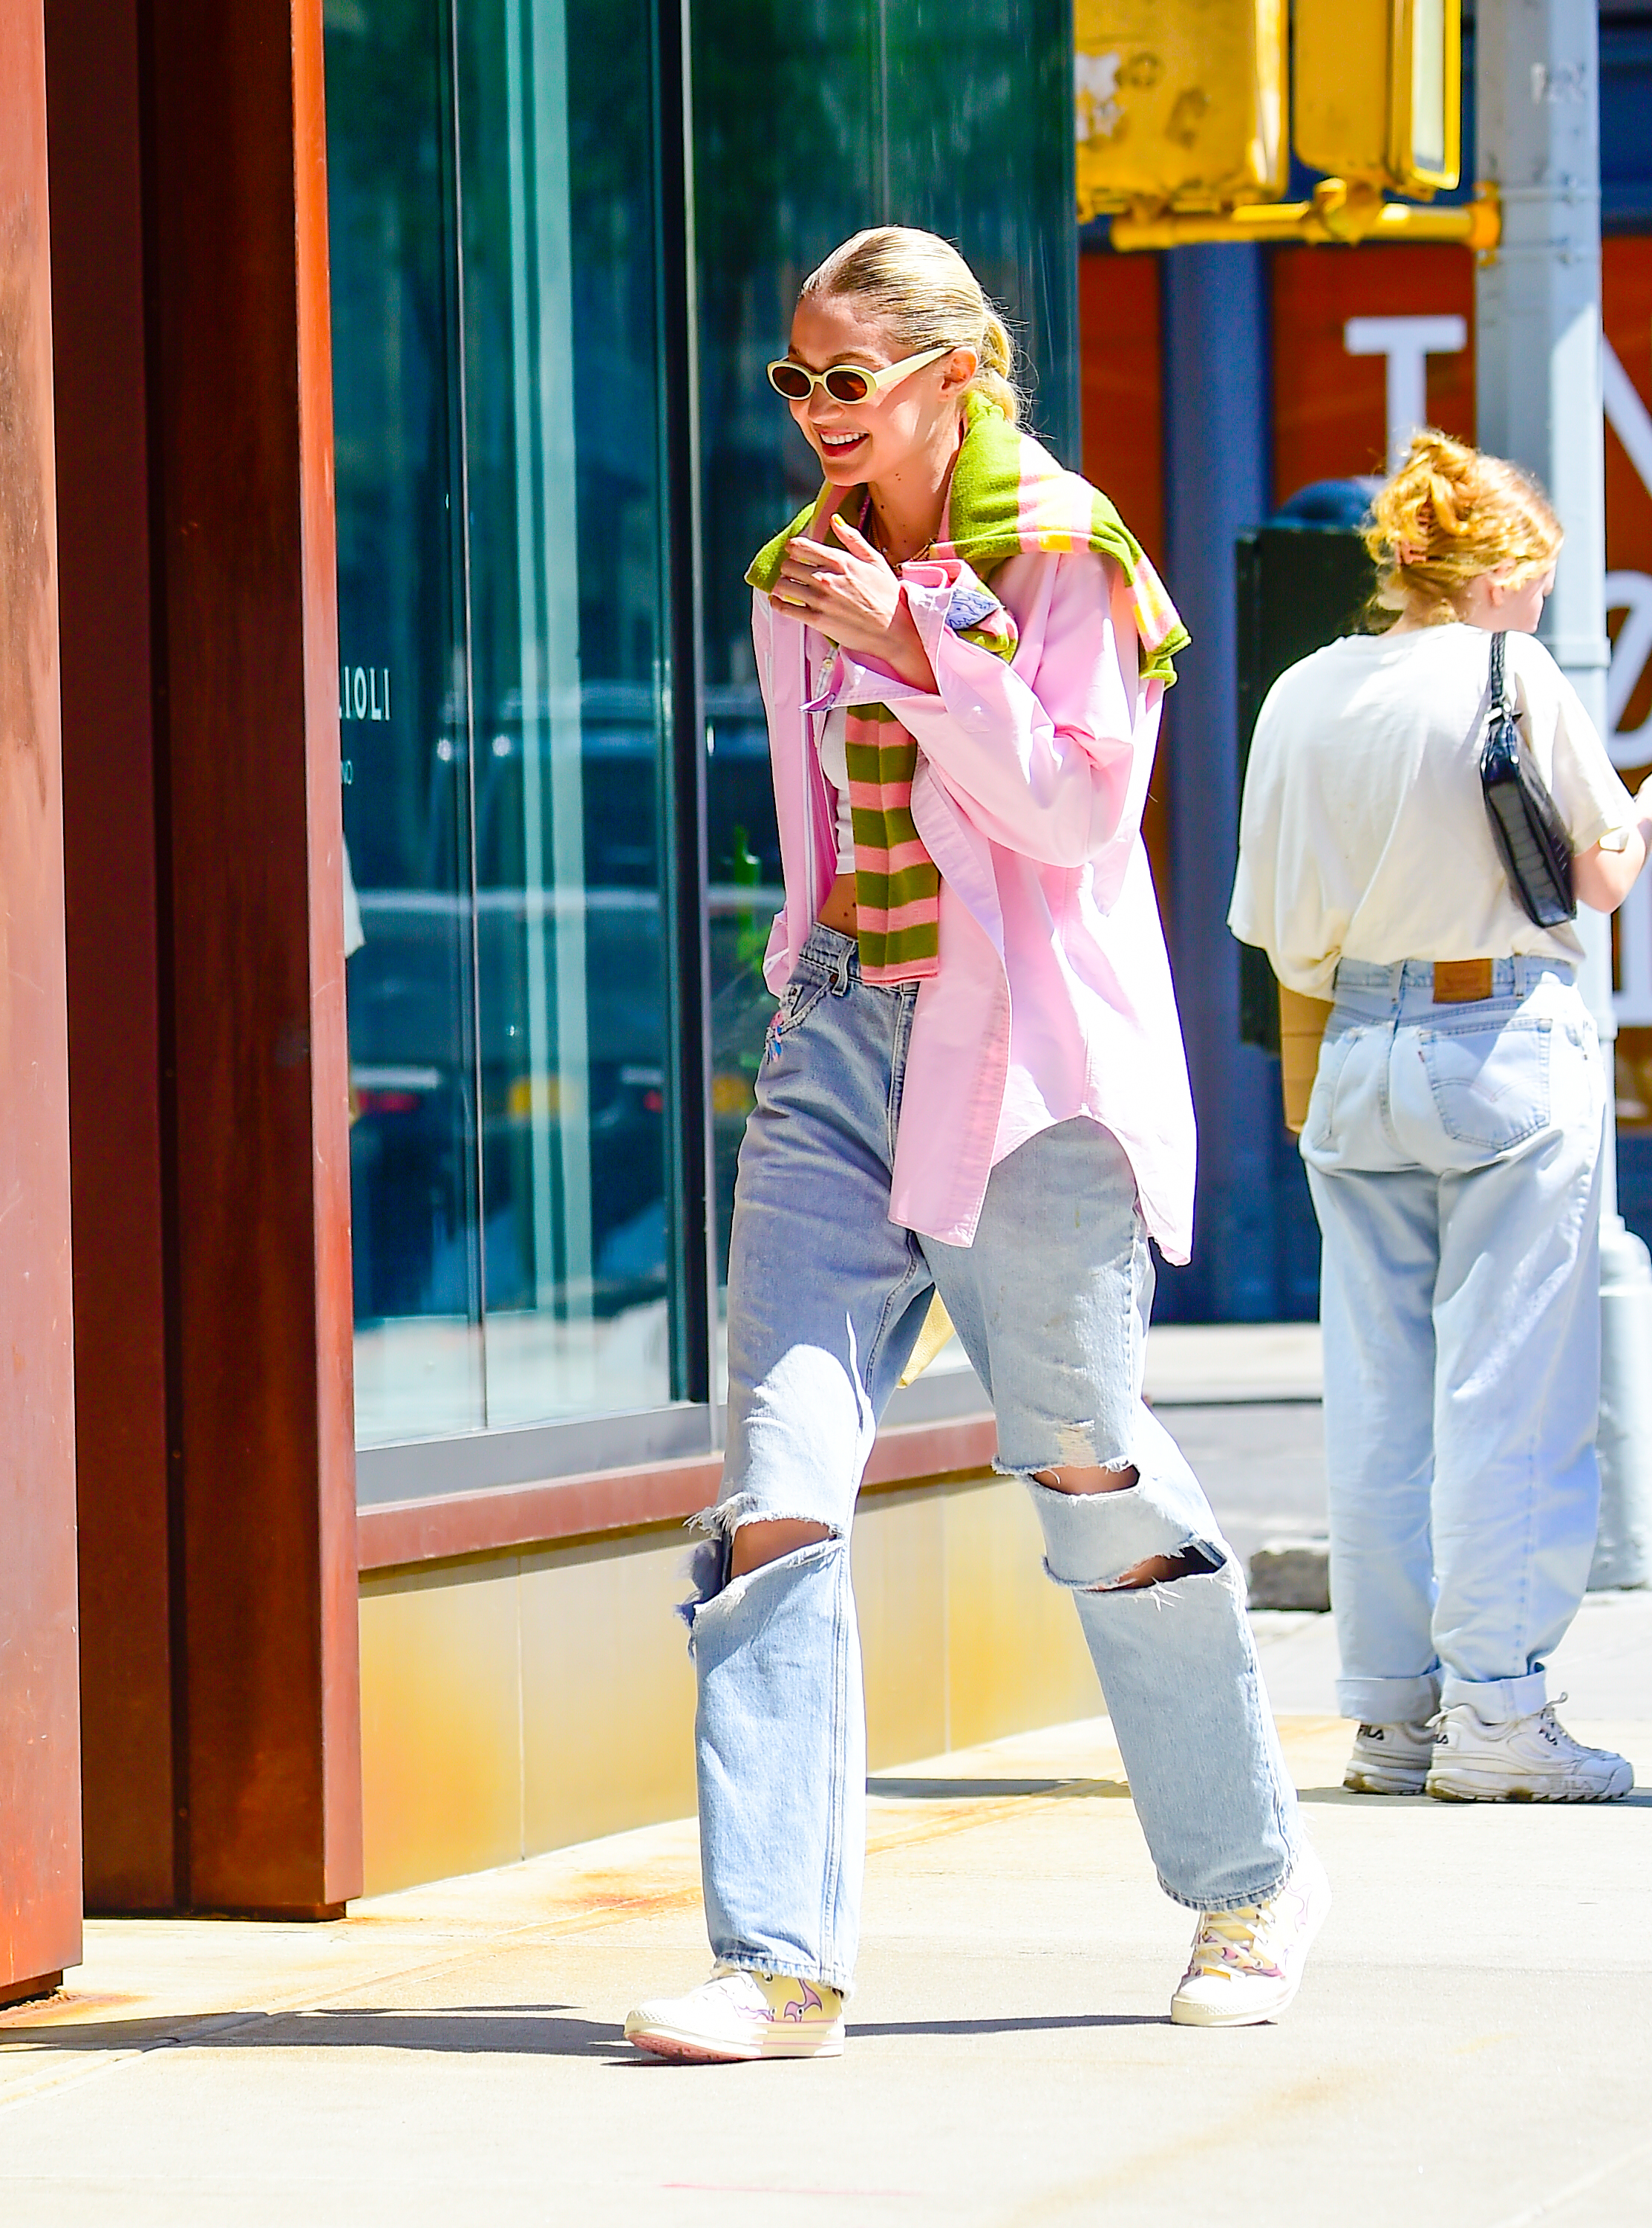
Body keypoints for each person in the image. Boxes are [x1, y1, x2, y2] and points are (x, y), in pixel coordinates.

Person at [622, 227, 1327, 2065]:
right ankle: (778, 1960)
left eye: (846, 376)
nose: (815, 411)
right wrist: (796, 980)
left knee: (1084, 1472)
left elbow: (1081, 809)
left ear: (953, 372)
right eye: (794, 377)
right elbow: (814, 828)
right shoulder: (798, 578)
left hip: (1023, 1070)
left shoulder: (1066, 552)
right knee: (776, 1486)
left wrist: (922, 645)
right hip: (835, 1046)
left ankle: (1245, 1884)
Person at [1231, 430, 1648, 1805]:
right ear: (1490, 576)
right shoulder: (1509, 672)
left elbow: (1270, 926)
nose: (1539, 605)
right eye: (1533, 577)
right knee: (1511, 1390)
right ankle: (1499, 1714)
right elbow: (1592, 876)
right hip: (1501, 1047)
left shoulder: (1298, 692)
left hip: (1354, 1050)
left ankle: (1389, 1715)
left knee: (1379, 1391)